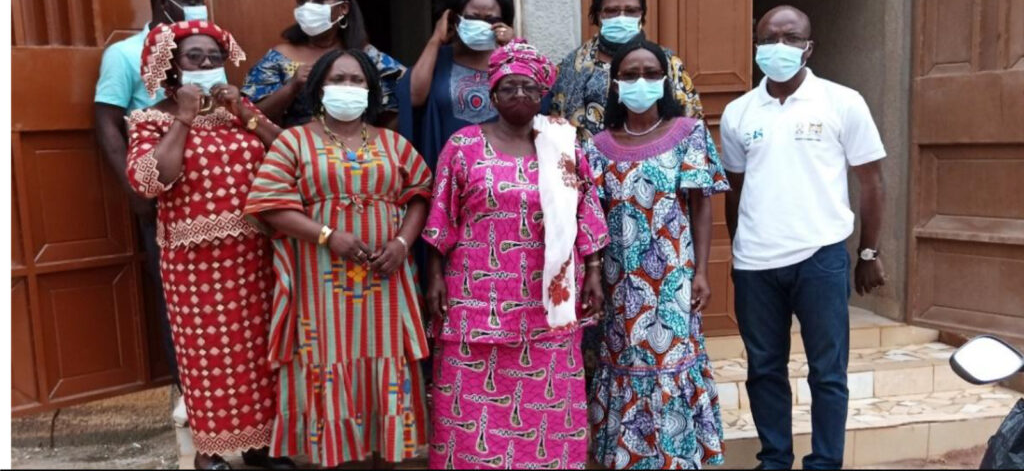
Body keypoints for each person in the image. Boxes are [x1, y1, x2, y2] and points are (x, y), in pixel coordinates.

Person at [422, 42, 610, 470]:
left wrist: (594, 271)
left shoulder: (563, 146)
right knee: (469, 411)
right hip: (474, 303)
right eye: (509, 88)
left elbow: (587, 212)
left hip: (548, 307)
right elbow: (440, 218)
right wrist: (433, 275)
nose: (519, 95)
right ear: (492, 95)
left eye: (528, 87)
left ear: (543, 93)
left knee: (548, 406)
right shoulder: (463, 145)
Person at [244, 49, 433, 467]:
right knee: (328, 358)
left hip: (385, 276)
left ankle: (385, 451)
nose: (347, 88)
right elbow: (269, 205)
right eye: (337, 80)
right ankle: (336, 455)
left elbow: (421, 194)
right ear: (318, 88)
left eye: (356, 81)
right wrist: (329, 237)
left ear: (370, 90)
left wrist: (401, 244)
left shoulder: (393, 143)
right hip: (320, 277)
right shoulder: (294, 140)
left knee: (386, 356)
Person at [720, 5, 887, 470]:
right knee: (764, 370)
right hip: (756, 265)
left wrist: (868, 252)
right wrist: (740, 249)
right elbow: (735, 190)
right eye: (768, 39)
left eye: (790, 38)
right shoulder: (738, 113)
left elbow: (872, 182)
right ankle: (774, 458)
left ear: (809, 47)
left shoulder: (842, 102)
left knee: (827, 373)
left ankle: (824, 463)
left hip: (821, 258)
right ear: (756, 47)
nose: (778, 47)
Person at [125, 20, 292, 471]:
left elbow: (291, 157)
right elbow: (150, 180)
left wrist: (248, 115)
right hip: (194, 266)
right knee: (208, 358)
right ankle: (210, 450)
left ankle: (262, 444)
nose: (205, 65)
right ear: (171, 67)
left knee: (262, 352)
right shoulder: (150, 119)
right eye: (193, 58)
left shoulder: (240, 112)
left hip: (255, 256)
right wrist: (183, 116)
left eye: (214, 58)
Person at [583, 40, 729, 469]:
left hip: (673, 278)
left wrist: (701, 271)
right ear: (614, 85)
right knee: (622, 364)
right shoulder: (598, 145)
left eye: (650, 72)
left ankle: (676, 458)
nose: (640, 81)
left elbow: (701, 204)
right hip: (618, 283)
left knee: (672, 366)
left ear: (665, 81)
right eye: (629, 74)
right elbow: (590, 216)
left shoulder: (689, 133)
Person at [94, 0, 207, 424]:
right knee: (175, 296)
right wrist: (134, 189)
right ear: (165, 3)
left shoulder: (204, 46)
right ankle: (189, 390)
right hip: (163, 189)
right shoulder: (124, 55)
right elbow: (105, 120)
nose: (201, 5)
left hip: (214, 195)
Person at [242, 0, 406, 127]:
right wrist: (291, 88)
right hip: (299, 149)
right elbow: (252, 117)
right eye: (303, 0)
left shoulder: (366, 55)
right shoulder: (279, 57)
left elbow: (404, 95)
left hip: (357, 149)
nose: (308, 6)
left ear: (343, 9)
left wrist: (377, 143)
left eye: (319, 0)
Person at [550, 0, 703, 142]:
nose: (621, 17)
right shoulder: (573, 65)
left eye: (631, 11)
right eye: (612, 11)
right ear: (598, 15)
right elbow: (558, 122)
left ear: (641, 16)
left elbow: (691, 116)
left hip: (658, 157)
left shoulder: (668, 62)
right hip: (591, 159)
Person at [397, 0, 518, 171]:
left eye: (491, 19)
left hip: (503, 178)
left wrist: (514, 48)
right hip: (446, 173)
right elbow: (413, 97)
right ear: (454, 18)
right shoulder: (438, 59)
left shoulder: (513, 61)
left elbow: (535, 101)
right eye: (472, 18)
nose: (482, 25)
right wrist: (436, 39)